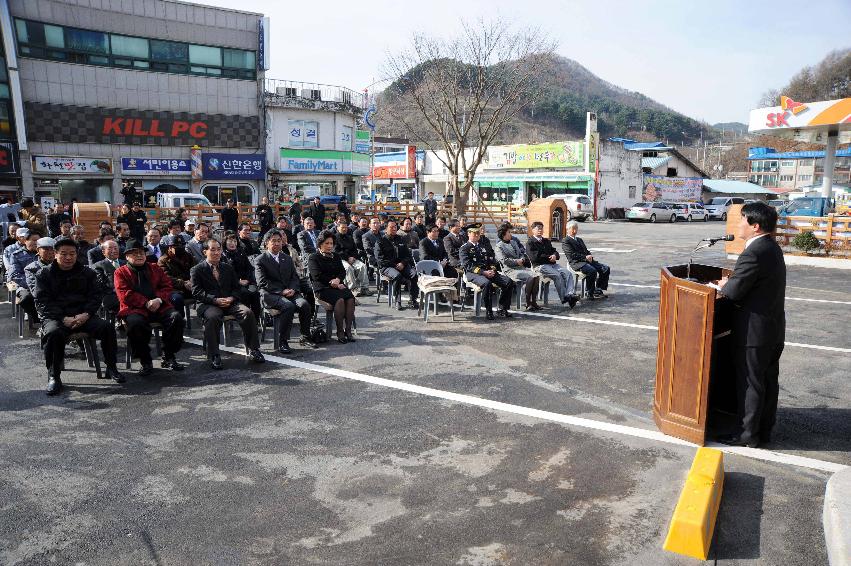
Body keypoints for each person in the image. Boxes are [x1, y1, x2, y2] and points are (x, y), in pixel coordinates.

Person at [716, 202, 786, 448]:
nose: (738, 224)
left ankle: (746, 435)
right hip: (772, 329)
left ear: (755, 226)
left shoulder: (754, 252)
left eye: (742, 220)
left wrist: (726, 285)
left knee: (751, 383)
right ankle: (763, 431)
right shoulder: (771, 248)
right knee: (766, 381)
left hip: (755, 333)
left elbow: (734, 292)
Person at [33, 238, 124, 395]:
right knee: (53, 334)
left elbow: (95, 297)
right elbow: (42, 302)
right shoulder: (44, 274)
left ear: (77, 254)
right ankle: (54, 376)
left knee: (107, 328)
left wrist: (86, 314)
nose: (68, 257)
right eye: (64, 254)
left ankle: (111, 367)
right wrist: (63, 318)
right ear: (55, 254)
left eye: (72, 254)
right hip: (57, 317)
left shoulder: (87, 272)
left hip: (83, 315)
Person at [190, 238, 264, 369]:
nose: (217, 253)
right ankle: (215, 354)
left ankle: (254, 349)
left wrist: (231, 298)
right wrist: (214, 300)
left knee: (247, 312)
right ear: (204, 252)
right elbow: (197, 292)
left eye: (219, 250)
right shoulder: (197, 269)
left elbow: (237, 288)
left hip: (229, 302)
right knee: (213, 317)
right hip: (209, 304)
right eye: (213, 250)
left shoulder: (227, 268)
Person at [115, 239, 185, 374]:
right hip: (135, 308)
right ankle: (145, 360)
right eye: (135, 254)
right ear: (127, 256)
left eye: (141, 252)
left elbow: (167, 286)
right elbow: (124, 294)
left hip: (159, 305)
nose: (140, 256)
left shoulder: (154, 267)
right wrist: (146, 302)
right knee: (136, 324)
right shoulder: (120, 272)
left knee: (176, 318)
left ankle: (169, 355)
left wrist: (158, 299)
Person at [255, 230, 317, 354]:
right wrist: (281, 291)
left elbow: (294, 277)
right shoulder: (260, 260)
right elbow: (262, 282)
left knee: (304, 304)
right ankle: (283, 341)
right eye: (274, 241)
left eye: (279, 241)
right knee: (288, 306)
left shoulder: (287, 258)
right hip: (271, 294)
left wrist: (293, 289)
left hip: (289, 291)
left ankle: (305, 336)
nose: (277, 243)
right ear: (267, 243)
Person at [308, 230, 356, 343]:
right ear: (320, 244)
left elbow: (342, 272)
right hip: (322, 288)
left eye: (331, 243)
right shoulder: (313, 257)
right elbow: (317, 276)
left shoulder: (336, 256)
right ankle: (339, 332)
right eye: (327, 243)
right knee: (339, 300)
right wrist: (332, 283)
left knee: (350, 298)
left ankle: (348, 331)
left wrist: (338, 280)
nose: (330, 246)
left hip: (338, 285)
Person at [459, 227, 515, 320]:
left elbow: (492, 260)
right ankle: (489, 311)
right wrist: (483, 272)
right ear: (468, 234)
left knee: (508, 282)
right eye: (474, 233)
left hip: (488, 271)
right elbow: (468, 265)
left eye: (478, 233)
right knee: (487, 284)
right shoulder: (464, 248)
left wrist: (493, 269)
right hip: (474, 274)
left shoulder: (483, 246)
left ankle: (503, 309)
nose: (477, 235)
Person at [527, 221, 578, 308]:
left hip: (553, 265)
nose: (540, 230)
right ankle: (565, 298)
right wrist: (549, 257)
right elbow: (534, 257)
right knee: (557, 275)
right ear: (533, 230)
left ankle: (570, 295)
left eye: (541, 228)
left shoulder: (546, 241)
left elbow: (555, 251)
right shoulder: (530, 242)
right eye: (538, 228)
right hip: (540, 266)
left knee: (567, 273)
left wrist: (555, 255)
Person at [495, 224, 540, 311]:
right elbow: (504, 260)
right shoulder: (499, 246)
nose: (510, 234)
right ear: (503, 234)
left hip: (520, 267)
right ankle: (527, 302)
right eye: (509, 232)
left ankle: (534, 301)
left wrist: (522, 259)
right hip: (510, 270)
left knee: (536, 276)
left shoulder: (513, 242)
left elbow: (521, 254)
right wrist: (516, 261)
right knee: (531, 277)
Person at [376, 220, 419, 310]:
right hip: (387, 267)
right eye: (391, 227)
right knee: (397, 275)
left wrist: (403, 263)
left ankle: (413, 300)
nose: (394, 229)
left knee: (414, 274)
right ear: (386, 228)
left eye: (395, 226)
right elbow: (381, 260)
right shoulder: (380, 241)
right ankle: (397, 301)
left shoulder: (401, 239)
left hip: (402, 265)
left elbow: (408, 256)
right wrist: (395, 265)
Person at [562, 220, 610, 300]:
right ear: (568, 229)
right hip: (577, 263)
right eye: (573, 229)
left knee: (605, 268)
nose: (575, 231)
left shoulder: (579, 239)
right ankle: (589, 291)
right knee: (592, 270)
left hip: (587, 261)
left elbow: (586, 250)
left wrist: (589, 255)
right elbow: (572, 255)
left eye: (576, 229)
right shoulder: (566, 241)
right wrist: (585, 257)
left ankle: (598, 289)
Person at [222, 232, 261, 319]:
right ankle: (245, 320)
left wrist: (247, 279)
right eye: (230, 241)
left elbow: (249, 268)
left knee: (255, 293)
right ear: (225, 242)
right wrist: (238, 281)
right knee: (244, 293)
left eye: (235, 241)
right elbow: (225, 274)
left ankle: (255, 320)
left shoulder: (241, 252)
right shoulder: (223, 255)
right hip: (232, 284)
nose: (233, 243)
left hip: (246, 281)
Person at [7, 231, 40, 323]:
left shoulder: (44, 253)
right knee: (26, 298)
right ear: (25, 241)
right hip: (24, 286)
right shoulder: (16, 255)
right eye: (34, 240)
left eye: (39, 240)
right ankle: (37, 319)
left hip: (43, 284)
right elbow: (15, 275)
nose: (36, 243)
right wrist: (32, 284)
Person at [334, 219, 371, 296]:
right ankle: (352, 289)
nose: (344, 229)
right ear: (338, 228)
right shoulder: (334, 238)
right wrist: (347, 258)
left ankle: (364, 288)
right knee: (348, 268)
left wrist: (353, 257)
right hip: (341, 259)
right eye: (342, 227)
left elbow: (355, 249)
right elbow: (336, 251)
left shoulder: (349, 237)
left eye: (346, 227)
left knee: (362, 266)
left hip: (352, 258)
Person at [158, 235, 195, 312]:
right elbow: (166, 278)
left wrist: (192, 282)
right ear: (170, 247)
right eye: (176, 246)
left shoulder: (188, 256)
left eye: (182, 245)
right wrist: (183, 283)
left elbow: (195, 271)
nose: (180, 247)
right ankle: (180, 321)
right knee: (177, 299)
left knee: (205, 292)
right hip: (173, 288)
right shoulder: (163, 260)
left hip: (190, 286)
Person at [92, 240, 125, 316]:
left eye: (116, 248)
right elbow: (100, 285)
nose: (114, 250)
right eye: (110, 248)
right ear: (103, 252)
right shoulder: (98, 266)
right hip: (110, 296)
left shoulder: (126, 263)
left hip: (127, 294)